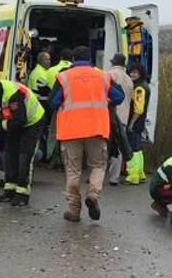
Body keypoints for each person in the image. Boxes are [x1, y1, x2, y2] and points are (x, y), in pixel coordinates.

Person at [50, 45, 125, 222]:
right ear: (90, 59)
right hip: (97, 129)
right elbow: (119, 97)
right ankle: (93, 194)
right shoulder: (103, 76)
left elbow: (53, 102)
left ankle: (74, 210)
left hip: (70, 131)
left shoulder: (63, 77)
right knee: (98, 165)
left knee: (73, 170)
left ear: (73, 60)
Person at [0, 77, 45, 206]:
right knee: (9, 154)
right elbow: (4, 118)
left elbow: (20, 121)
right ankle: (10, 190)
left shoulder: (13, 95)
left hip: (32, 123)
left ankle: (22, 194)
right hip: (14, 123)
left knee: (24, 157)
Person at [106, 53, 134, 185]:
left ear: (113, 63)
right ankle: (114, 178)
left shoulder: (109, 74)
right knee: (118, 147)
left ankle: (97, 173)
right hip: (123, 117)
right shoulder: (129, 79)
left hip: (109, 114)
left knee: (103, 145)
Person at [124, 64, 151, 185]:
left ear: (140, 73)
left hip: (135, 121)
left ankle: (133, 175)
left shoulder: (139, 88)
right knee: (138, 148)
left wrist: (131, 123)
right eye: (131, 72)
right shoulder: (144, 85)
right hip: (139, 122)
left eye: (135, 73)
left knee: (132, 149)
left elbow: (138, 109)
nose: (132, 75)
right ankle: (140, 173)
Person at [28, 50, 55, 163]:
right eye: (46, 59)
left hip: (36, 104)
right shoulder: (40, 73)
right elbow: (46, 92)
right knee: (43, 132)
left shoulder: (38, 71)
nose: (49, 61)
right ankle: (42, 156)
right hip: (40, 105)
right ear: (41, 60)